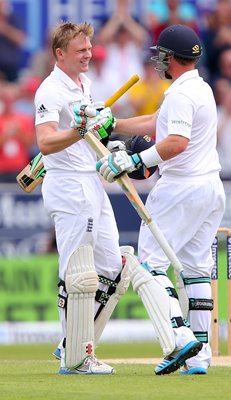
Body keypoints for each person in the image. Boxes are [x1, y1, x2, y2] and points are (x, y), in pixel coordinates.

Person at [95, 24, 226, 375]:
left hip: (180, 188)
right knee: (196, 270)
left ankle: (180, 337)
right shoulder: (199, 88)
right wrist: (114, 122)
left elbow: (175, 142)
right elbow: (158, 122)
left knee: (151, 264)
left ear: (171, 57)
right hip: (210, 187)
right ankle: (199, 356)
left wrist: (136, 160)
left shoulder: (181, 94)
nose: (159, 61)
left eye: (161, 55)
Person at [34, 21, 131, 375]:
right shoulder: (50, 90)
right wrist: (79, 130)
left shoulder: (84, 84)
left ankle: (69, 344)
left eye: (89, 48)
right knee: (76, 272)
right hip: (68, 186)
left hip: (91, 182)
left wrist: (107, 144)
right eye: (80, 50)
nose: (88, 54)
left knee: (111, 268)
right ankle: (77, 356)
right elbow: (45, 143)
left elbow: (90, 136)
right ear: (60, 54)